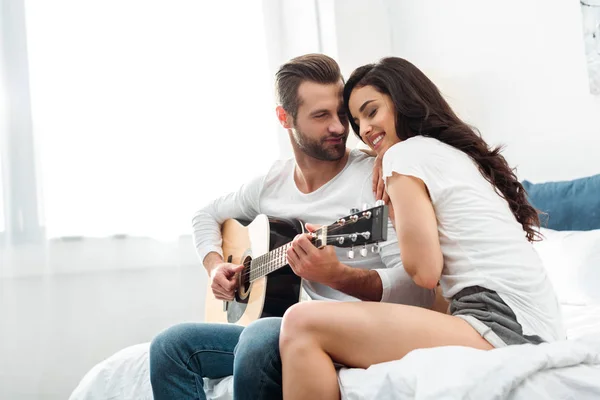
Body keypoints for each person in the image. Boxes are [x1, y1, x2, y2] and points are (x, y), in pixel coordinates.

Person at [148, 54, 435, 400]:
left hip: (339, 330)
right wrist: (215, 266)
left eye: (341, 114)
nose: (340, 128)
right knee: (169, 347)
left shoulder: (375, 180)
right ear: (285, 118)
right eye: (320, 116)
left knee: (263, 335)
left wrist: (338, 275)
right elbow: (205, 215)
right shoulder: (272, 182)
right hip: (278, 326)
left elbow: (418, 290)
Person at [278, 57, 565, 400]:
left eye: (371, 112)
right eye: (357, 121)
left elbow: (425, 273)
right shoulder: (452, 154)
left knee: (300, 323)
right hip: (535, 327)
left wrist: (393, 205)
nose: (365, 130)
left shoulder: (405, 158)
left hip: (503, 326)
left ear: (403, 100)